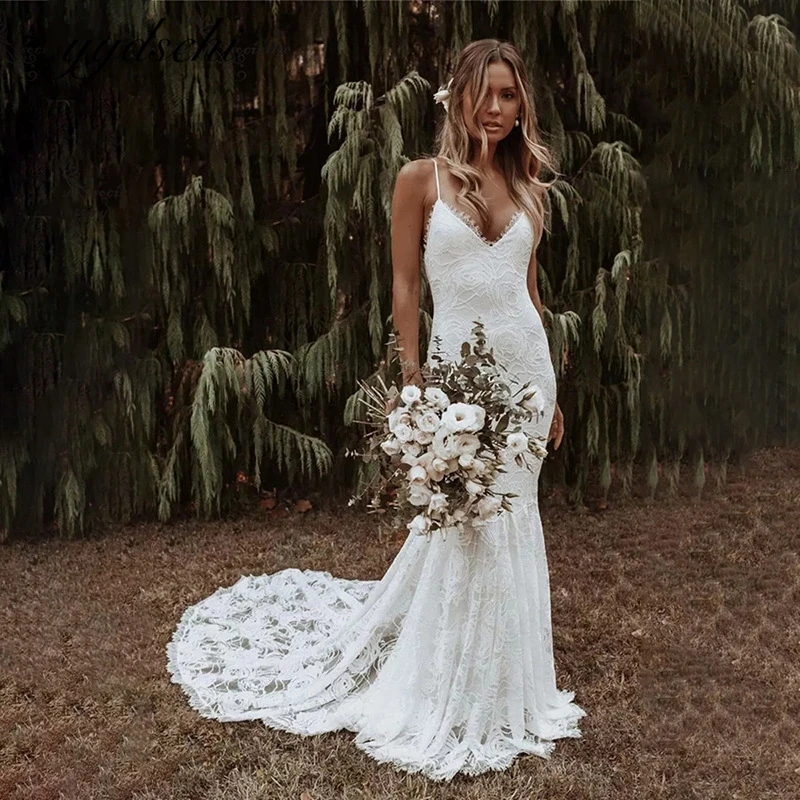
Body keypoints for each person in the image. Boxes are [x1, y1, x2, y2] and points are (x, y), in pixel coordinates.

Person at [166, 38, 586, 782]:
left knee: (512, 515)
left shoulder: (532, 191)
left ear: (524, 107)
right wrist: (414, 381)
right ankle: (443, 684)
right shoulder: (418, 180)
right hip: (455, 380)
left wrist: (550, 389)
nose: (496, 109)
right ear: (457, 96)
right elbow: (404, 291)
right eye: (485, 93)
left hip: (525, 378)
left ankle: (508, 690)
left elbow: (529, 297)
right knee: (458, 522)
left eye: (510, 96)